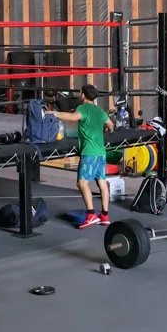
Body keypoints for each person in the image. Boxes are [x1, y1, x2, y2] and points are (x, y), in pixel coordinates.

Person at [54, 83, 113, 226]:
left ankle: (91, 215)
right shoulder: (100, 111)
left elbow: (73, 117)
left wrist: (53, 113)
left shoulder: (83, 108)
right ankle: (104, 216)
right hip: (101, 152)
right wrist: (106, 130)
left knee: (82, 183)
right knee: (102, 183)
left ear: (83, 95)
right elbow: (111, 125)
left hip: (89, 153)